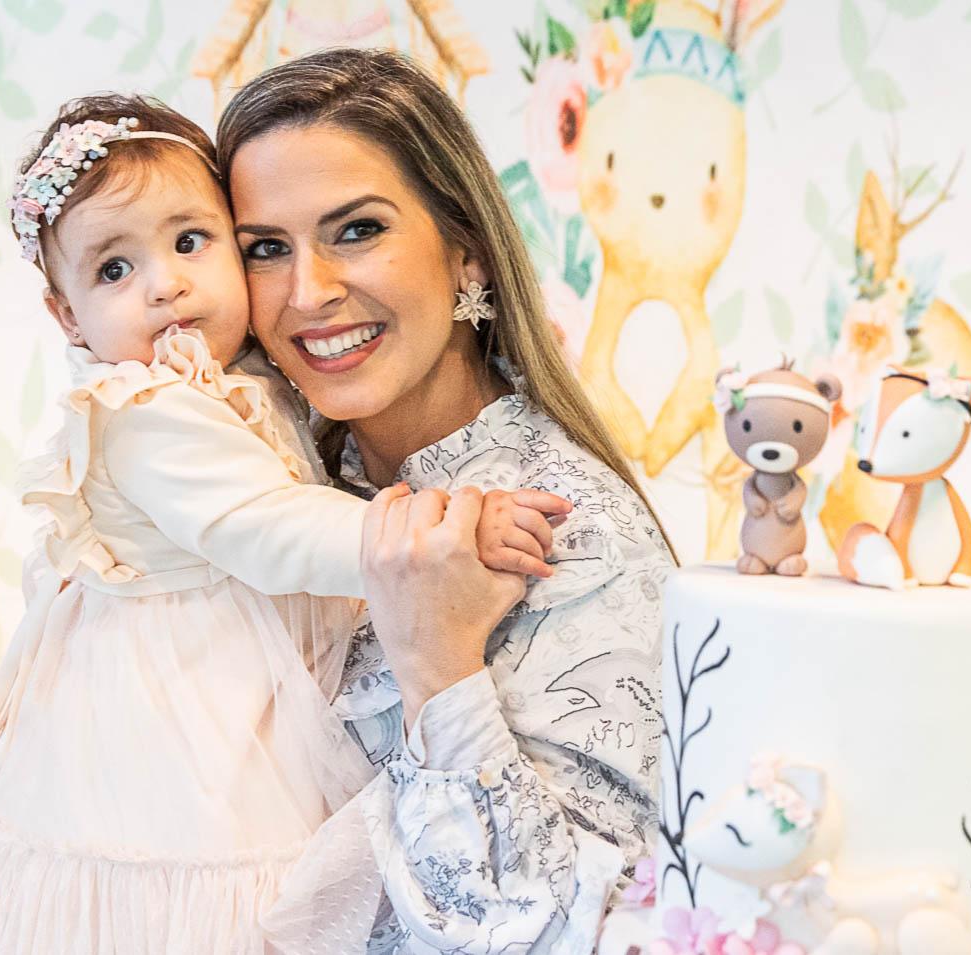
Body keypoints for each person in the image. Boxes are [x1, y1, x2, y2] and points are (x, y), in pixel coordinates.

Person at [0, 92, 568, 955]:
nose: (165, 283)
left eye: (191, 241)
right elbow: (264, 524)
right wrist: (435, 531)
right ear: (66, 314)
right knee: (208, 906)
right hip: (178, 730)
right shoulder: (145, 409)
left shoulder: (237, 376)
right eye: (114, 269)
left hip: (241, 695)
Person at [217, 48, 677, 954]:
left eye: (356, 230)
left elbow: (569, 931)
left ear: (466, 252)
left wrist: (438, 667)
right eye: (265, 248)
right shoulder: (276, 498)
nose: (308, 292)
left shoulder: (571, 532)